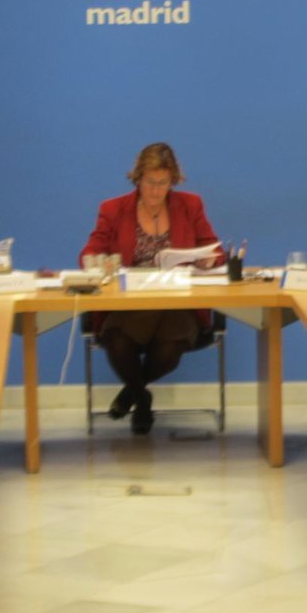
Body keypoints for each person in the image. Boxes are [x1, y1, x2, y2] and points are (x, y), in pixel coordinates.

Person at [80, 143, 226, 434]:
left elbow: (215, 249)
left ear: (173, 181)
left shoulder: (190, 205)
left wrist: (208, 259)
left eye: (163, 183)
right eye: (150, 182)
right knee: (117, 342)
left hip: (178, 305)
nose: (156, 191)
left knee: (169, 349)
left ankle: (132, 393)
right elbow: (90, 252)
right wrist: (96, 262)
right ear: (137, 178)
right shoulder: (113, 209)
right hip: (130, 304)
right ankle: (142, 398)